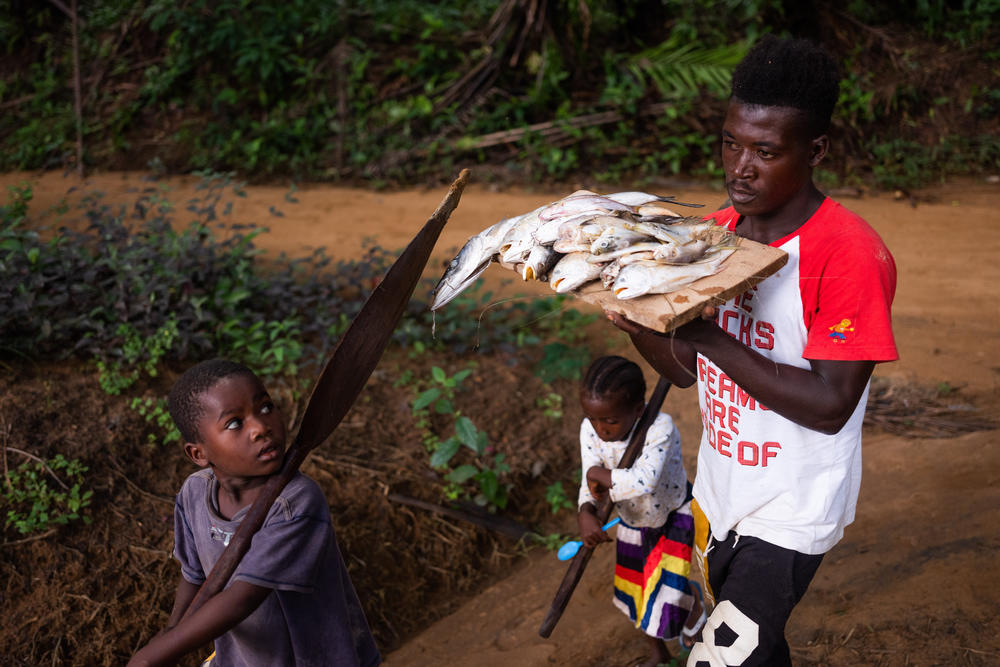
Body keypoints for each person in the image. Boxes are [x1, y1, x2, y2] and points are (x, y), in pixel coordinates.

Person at [607, 35, 898, 666]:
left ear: (815, 150)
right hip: (720, 493)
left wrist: (706, 333)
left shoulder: (846, 254)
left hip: (793, 507)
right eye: (731, 143)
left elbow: (829, 405)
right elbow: (687, 371)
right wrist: (640, 324)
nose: (740, 166)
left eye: (765, 151)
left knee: (723, 659)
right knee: (752, 652)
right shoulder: (715, 234)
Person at [128, 359, 381, 667]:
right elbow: (194, 578)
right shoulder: (194, 494)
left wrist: (153, 655)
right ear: (199, 453)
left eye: (265, 407)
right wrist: (170, 633)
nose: (261, 427)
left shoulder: (296, 503)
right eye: (235, 423)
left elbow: (242, 598)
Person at [576, 355, 706, 667]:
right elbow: (588, 477)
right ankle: (658, 652)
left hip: (674, 516)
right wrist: (585, 510)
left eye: (610, 421)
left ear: (637, 410)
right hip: (631, 522)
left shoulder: (658, 428)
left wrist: (599, 475)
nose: (600, 429)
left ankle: (693, 608)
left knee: (669, 593)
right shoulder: (589, 431)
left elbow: (642, 482)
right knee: (635, 590)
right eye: (593, 419)